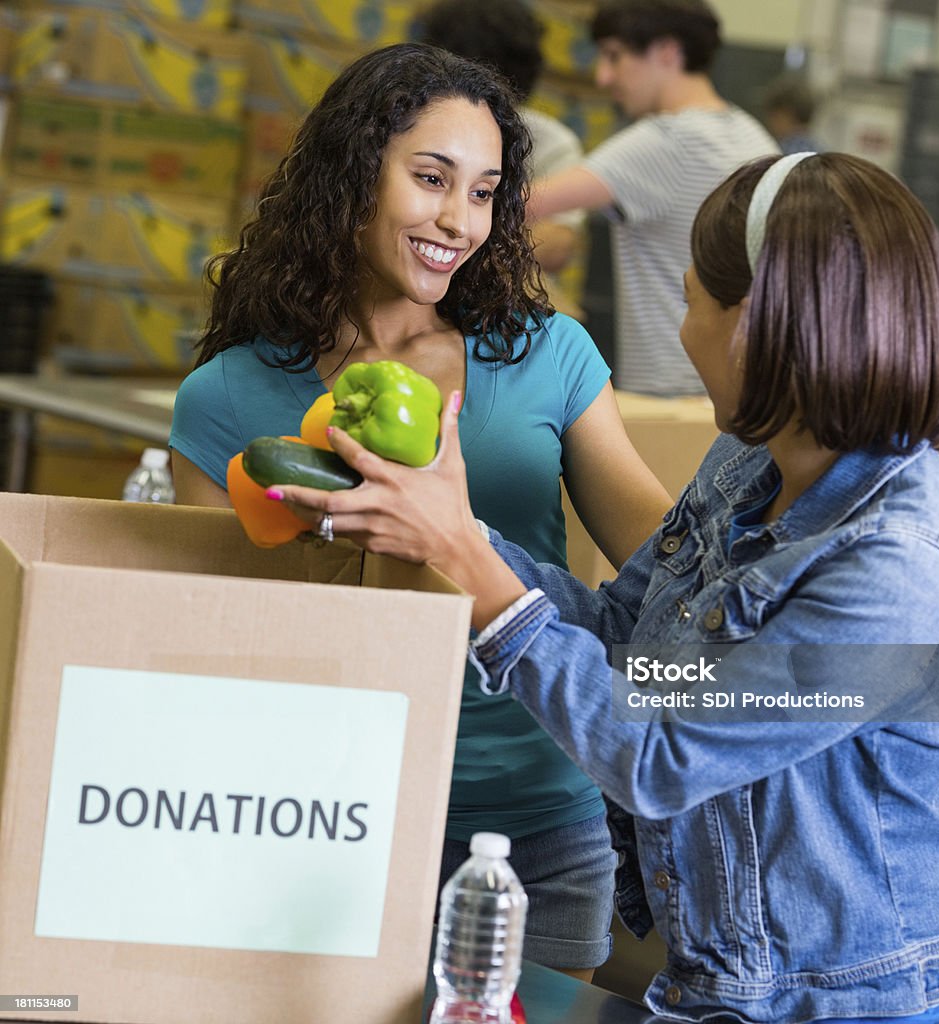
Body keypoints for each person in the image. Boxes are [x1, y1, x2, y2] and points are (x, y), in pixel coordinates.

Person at [272, 152, 939, 1023]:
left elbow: (665, 754)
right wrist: (448, 525)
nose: (682, 332)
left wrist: (466, 560)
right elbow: (631, 643)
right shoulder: (749, 464)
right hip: (722, 980)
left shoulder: (901, 565)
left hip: (853, 1001)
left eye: (690, 302)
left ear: (759, 326)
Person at [169, 43, 672, 981]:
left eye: (483, 192)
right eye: (431, 178)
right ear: (354, 176)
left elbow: (663, 561)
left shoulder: (549, 354)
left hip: (534, 829)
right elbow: (214, 647)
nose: (458, 220)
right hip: (316, 820)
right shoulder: (227, 399)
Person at [528, 0, 779, 397]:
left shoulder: (667, 140)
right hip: (740, 388)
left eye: (615, 56)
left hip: (673, 389)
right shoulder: (751, 135)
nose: (604, 77)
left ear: (667, 52)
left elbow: (521, 201)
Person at [418, 0, 586, 277]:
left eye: (482, 193)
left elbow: (559, 242)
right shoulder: (411, 125)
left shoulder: (550, 142)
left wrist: (456, 255)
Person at [761, 73, 820, 154]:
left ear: (786, 115)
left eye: (774, 116)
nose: (769, 122)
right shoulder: (821, 150)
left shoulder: (781, 152)